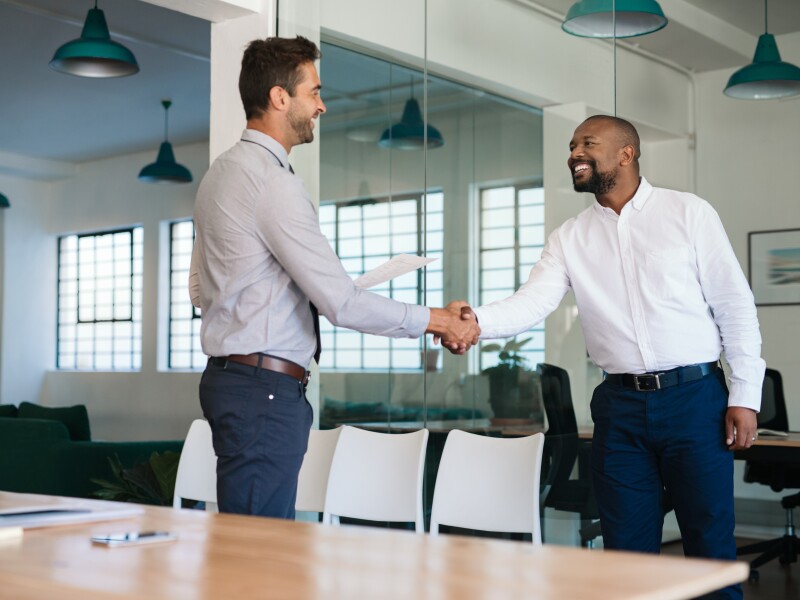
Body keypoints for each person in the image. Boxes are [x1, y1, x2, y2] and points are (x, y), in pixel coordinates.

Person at [455, 115, 764, 600]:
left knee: (709, 548)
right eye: (572, 144)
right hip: (620, 409)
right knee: (624, 555)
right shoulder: (569, 237)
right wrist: (474, 322)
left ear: (627, 153)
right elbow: (532, 301)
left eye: (588, 143)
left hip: (696, 400)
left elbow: (734, 306)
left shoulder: (688, 213)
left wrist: (745, 394)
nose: (574, 153)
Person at [189, 36, 478, 520]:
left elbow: (201, 289)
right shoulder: (273, 182)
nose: (321, 105)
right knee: (259, 557)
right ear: (281, 98)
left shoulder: (220, 174)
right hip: (263, 391)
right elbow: (341, 304)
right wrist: (440, 321)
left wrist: (281, 293)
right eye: (314, 92)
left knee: (248, 544)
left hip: (235, 382)